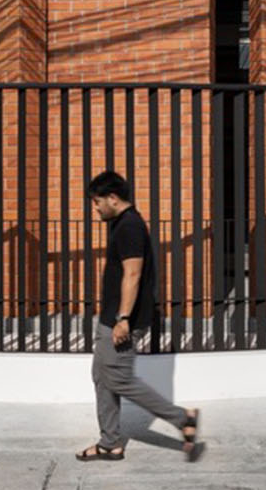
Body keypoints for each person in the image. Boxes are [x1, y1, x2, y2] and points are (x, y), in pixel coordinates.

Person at [76, 169, 202, 464]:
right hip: (114, 318)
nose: (95, 208)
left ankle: (182, 418)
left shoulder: (129, 226)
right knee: (102, 376)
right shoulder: (122, 224)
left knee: (117, 379)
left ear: (112, 198)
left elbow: (132, 274)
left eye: (96, 202)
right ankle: (110, 444)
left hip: (122, 320)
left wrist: (122, 318)